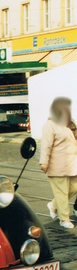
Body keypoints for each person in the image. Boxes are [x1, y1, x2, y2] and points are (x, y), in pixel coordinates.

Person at [40, 97, 77, 229]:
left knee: (74, 188)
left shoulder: (70, 124)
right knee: (61, 192)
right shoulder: (50, 125)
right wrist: (43, 162)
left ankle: (54, 205)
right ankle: (64, 219)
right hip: (57, 165)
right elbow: (46, 145)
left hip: (72, 164)